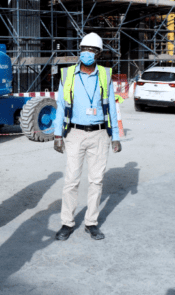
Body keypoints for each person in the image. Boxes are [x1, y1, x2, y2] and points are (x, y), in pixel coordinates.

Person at [53, 32, 121, 242]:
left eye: (92, 50)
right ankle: (67, 222)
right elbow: (61, 106)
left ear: (98, 54)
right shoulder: (68, 75)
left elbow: (112, 106)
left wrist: (116, 136)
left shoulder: (105, 75)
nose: (87, 53)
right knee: (71, 180)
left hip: (100, 134)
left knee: (96, 181)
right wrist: (57, 134)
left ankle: (91, 222)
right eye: (84, 50)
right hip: (74, 133)